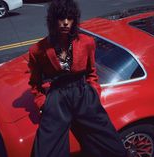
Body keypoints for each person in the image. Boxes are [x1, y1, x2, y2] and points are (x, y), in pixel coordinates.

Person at [28, 0, 127, 157]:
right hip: (57, 97)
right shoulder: (38, 50)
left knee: (109, 145)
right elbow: (35, 83)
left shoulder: (87, 43)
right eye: (61, 18)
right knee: (46, 150)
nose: (66, 22)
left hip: (83, 93)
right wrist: (42, 103)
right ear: (53, 20)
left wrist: (94, 92)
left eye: (70, 18)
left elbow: (91, 72)